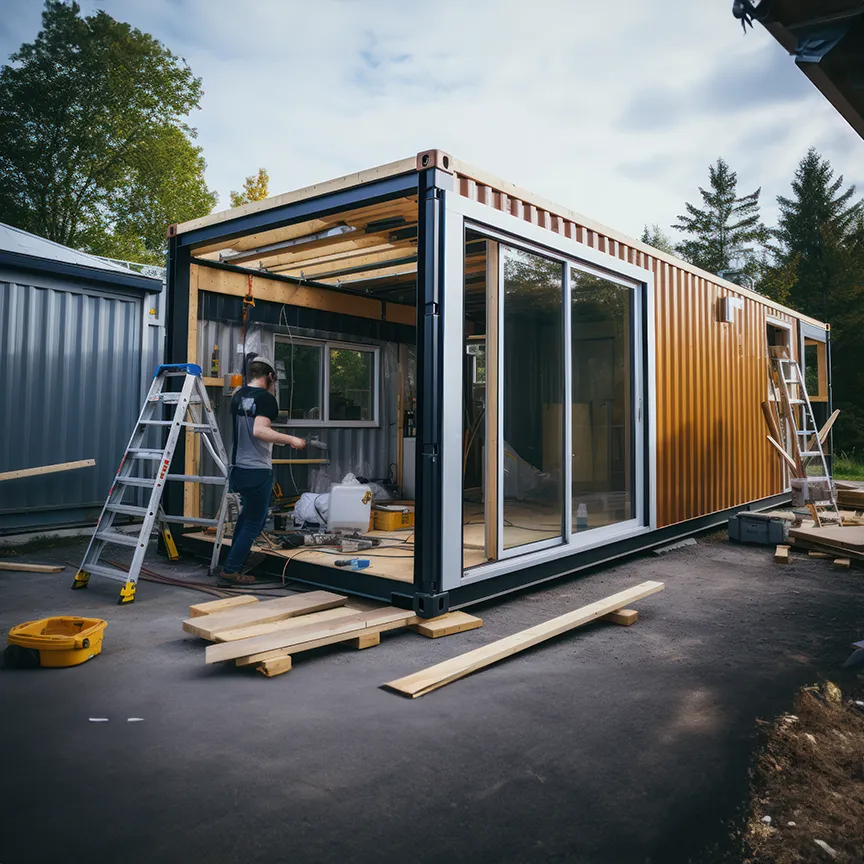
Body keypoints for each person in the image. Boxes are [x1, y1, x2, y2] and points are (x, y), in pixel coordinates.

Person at [218, 353, 305, 584]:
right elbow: (259, 431)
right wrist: (292, 440)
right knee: (254, 523)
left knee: (246, 518)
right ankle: (231, 569)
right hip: (257, 470)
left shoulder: (238, 396)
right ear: (269, 376)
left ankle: (232, 561)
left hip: (237, 469)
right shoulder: (266, 399)